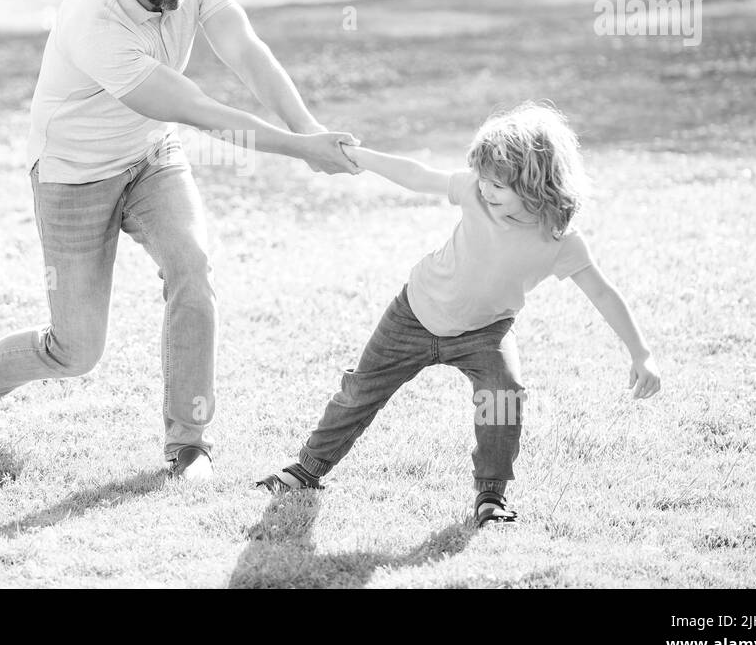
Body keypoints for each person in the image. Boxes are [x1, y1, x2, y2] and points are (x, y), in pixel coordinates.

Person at [0, 0, 361, 480]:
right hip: (74, 176)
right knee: (75, 350)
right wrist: (296, 149)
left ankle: (189, 444)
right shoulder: (93, 19)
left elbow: (247, 52)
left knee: (193, 266)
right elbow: (198, 108)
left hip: (150, 158)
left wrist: (308, 130)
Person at [256, 101, 661, 523]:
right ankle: (306, 470)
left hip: (485, 332)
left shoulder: (560, 240)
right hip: (415, 313)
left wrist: (640, 352)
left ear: (535, 184)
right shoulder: (473, 192)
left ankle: (491, 496)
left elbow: (602, 293)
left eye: (497, 186)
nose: (485, 190)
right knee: (360, 392)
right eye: (483, 180)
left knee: (503, 397)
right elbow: (417, 175)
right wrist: (361, 156)